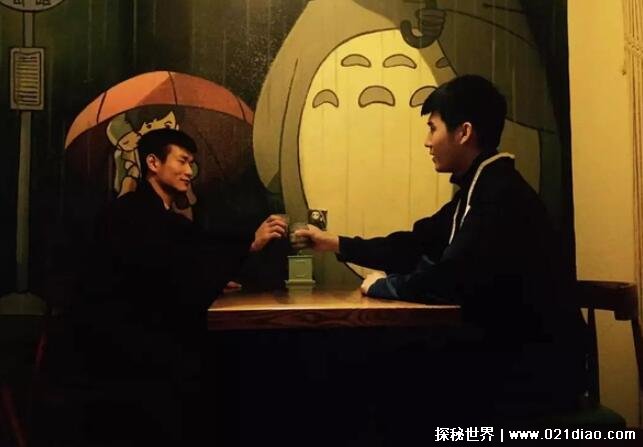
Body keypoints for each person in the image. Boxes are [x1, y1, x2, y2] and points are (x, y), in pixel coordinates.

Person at [297, 75, 587, 428]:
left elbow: (449, 280)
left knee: (384, 385)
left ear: (463, 132)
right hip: (512, 358)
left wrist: (384, 286)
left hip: (537, 375)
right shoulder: (480, 187)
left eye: (432, 128)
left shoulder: (499, 195)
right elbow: (415, 243)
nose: (427, 141)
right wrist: (336, 243)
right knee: (388, 375)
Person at [39, 128, 287, 446]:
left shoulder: (156, 214)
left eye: (191, 163)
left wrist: (212, 272)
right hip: (122, 359)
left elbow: (186, 259)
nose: (189, 171)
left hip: (133, 349)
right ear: (153, 163)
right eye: (182, 161)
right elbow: (164, 277)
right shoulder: (130, 213)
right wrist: (247, 246)